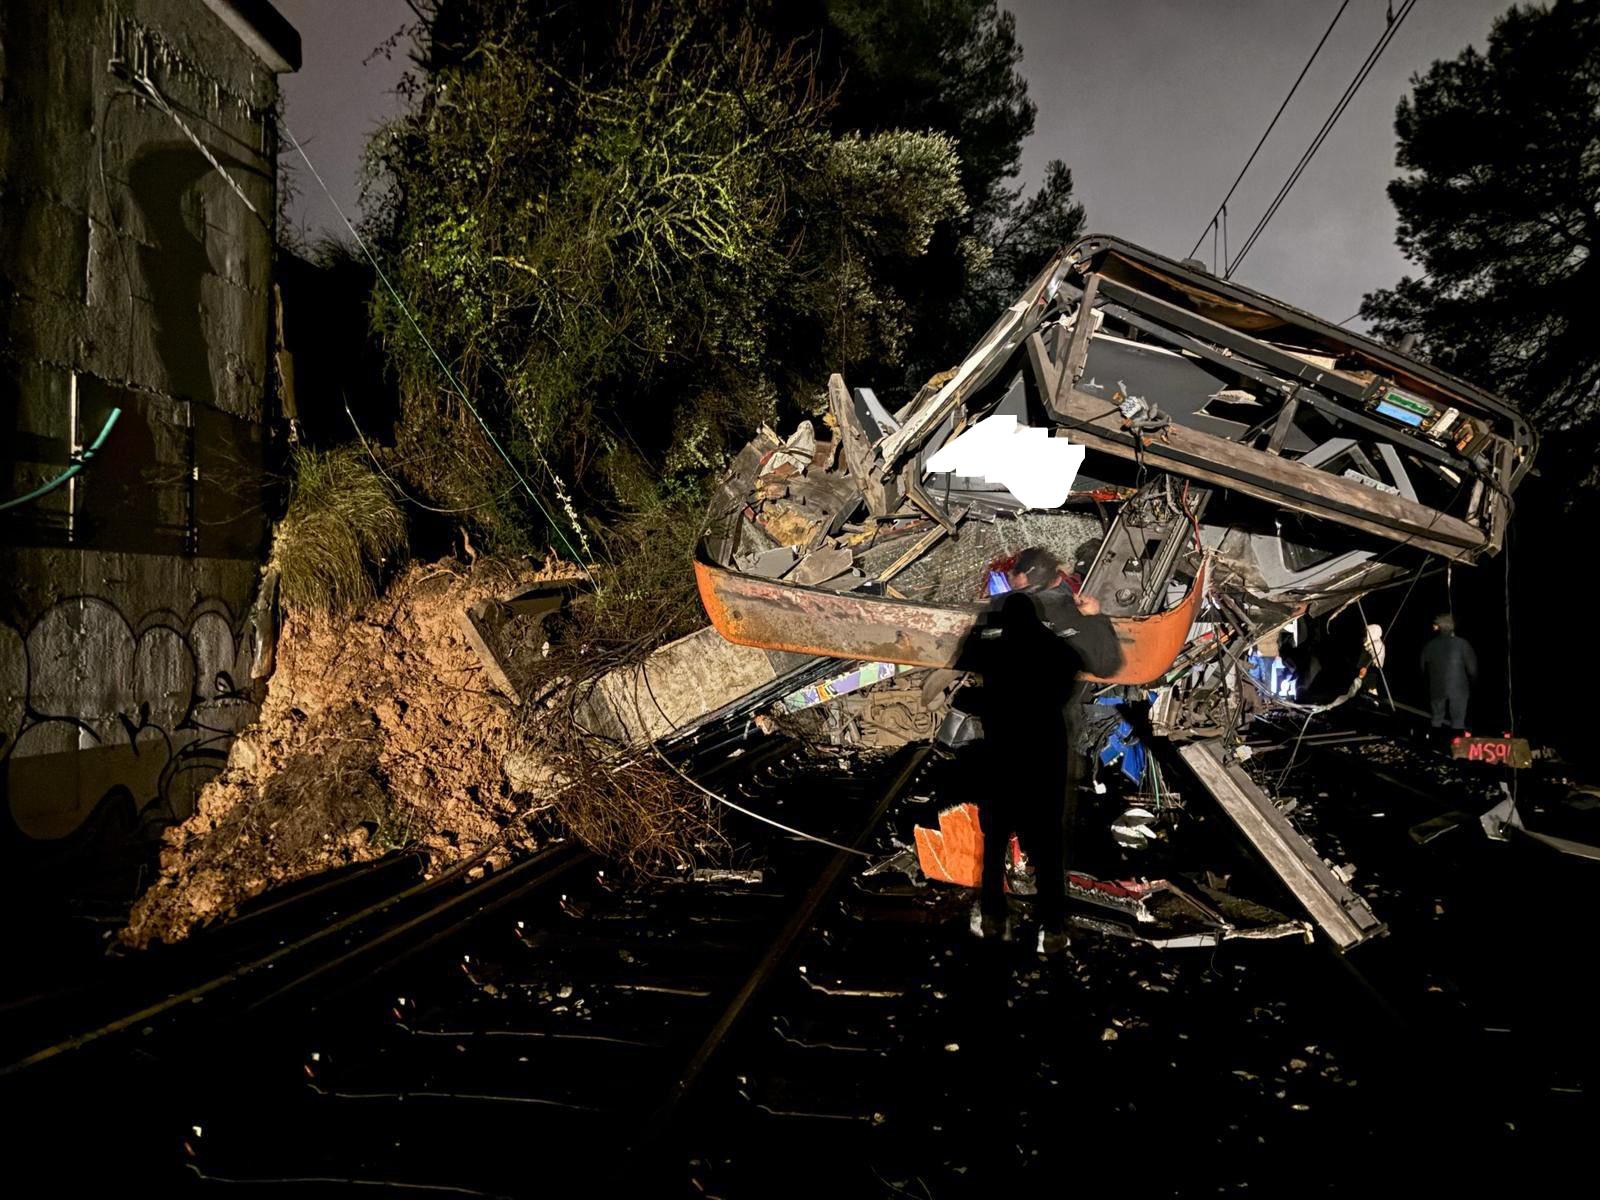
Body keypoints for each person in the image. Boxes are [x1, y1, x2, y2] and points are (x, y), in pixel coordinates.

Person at [960, 546, 1120, 954]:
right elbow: (1101, 665)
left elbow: (966, 657)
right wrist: (1097, 618)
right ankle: (1053, 929)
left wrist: (986, 624)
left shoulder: (992, 646)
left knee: (996, 837)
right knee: (1049, 842)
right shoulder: (1058, 648)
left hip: (1002, 748)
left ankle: (993, 918)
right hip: (1048, 749)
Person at [1420, 612, 1476, 739]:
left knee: (1436, 719)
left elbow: (1422, 668)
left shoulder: (1430, 645)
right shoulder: (1462, 644)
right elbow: (1472, 669)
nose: (1433, 627)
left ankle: (1435, 742)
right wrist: (1471, 683)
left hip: (1437, 688)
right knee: (1458, 721)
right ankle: (1456, 745)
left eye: (1436, 625)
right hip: (1459, 689)